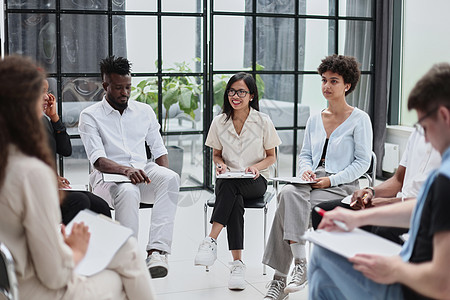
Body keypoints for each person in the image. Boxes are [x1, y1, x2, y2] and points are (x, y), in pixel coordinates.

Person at [0, 55, 155, 300]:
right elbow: (55, 276)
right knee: (127, 259)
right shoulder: (29, 172)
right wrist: (76, 250)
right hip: (33, 288)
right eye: (40, 94)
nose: (46, 99)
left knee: (121, 244)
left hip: (11, 280)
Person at [309, 62, 450, 300]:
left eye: (424, 126)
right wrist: (359, 215)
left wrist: (394, 270)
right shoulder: (443, 173)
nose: (424, 136)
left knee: (322, 257)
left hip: (412, 289)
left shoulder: (444, 179)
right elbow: (424, 206)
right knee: (322, 276)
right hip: (410, 269)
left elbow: (442, 285)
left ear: (444, 116)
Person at [262, 54, 373, 300]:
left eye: (334, 81)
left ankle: (280, 279)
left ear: (347, 85)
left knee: (285, 201)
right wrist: (306, 171)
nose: (326, 86)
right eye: (324, 80)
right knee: (289, 193)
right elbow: (304, 155)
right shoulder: (314, 119)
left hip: (341, 185)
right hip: (310, 182)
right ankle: (300, 265)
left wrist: (330, 180)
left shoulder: (359, 119)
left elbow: (362, 163)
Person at [78, 55, 180, 279]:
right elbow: (98, 160)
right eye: (118, 88)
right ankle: (128, 257)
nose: (124, 92)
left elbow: (160, 151)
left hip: (142, 172)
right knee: (127, 190)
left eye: (128, 87)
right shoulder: (90, 116)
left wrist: (160, 181)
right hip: (107, 179)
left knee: (171, 178)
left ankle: (156, 252)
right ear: (106, 86)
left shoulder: (144, 112)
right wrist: (125, 170)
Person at [194, 72, 281, 290]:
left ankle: (210, 240)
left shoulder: (263, 121)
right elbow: (217, 154)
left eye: (241, 91)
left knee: (229, 188)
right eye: (232, 91)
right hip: (229, 179)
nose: (236, 96)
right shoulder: (219, 122)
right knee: (233, 195)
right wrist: (220, 165)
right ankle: (237, 263)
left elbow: (271, 156)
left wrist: (256, 167)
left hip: (255, 180)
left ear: (251, 95)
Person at [311, 128, 441, 245]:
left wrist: (389, 203)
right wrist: (370, 192)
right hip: (399, 203)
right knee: (324, 212)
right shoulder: (417, 132)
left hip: (426, 214)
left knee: (382, 229)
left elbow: (438, 203)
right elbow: (398, 180)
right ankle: (339, 269)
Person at [41, 78, 112, 225]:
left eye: (47, 91)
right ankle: (64, 246)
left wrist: (54, 118)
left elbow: (65, 150)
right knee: (80, 201)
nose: (47, 97)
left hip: (47, 186)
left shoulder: (43, 121)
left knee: (101, 206)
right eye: (40, 91)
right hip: (31, 192)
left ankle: (103, 247)